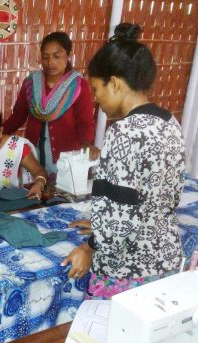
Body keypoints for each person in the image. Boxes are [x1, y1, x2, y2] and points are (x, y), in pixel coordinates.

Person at [62, 23, 186, 300]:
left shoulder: (124, 131)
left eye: (96, 89)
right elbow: (156, 197)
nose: (95, 99)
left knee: (105, 341)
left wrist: (90, 246)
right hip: (164, 258)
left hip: (126, 270)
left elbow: (119, 215)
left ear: (115, 83)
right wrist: (101, 222)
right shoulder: (169, 122)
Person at [3, 31, 98, 177]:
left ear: (68, 56)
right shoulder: (31, 83)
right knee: (34, 192)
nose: (50, 62)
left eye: (57, 56)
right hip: (34, 155)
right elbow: (18, 116)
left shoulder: (77, 85)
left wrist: (87, 144)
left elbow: (85, 123)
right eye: (45, 57)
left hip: (65, 157)